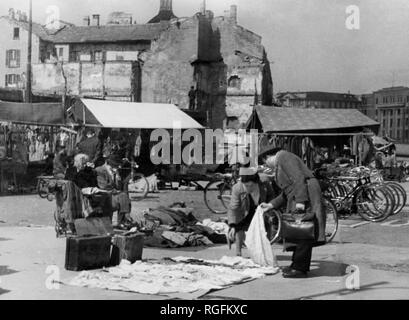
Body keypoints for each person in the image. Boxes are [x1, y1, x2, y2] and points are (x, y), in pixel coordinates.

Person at [259, 148, 326, 278]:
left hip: (305, 194)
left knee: (303, 229)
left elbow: (298, 177)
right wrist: (271, 204)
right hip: (302, 193)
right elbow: (287, 191)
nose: (267, 165)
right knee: (299, 229)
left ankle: (299, 268)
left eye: (265, 162)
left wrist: (301, 201)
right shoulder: (281, 162)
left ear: (268, 156)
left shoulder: (283, 156)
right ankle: (297, 264)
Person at [227, 167, 279, 257]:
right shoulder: (237, 188)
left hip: (261, 211)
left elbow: (271, 196)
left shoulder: (265, 183)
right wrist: (232, 225)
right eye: (246, 186)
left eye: (251, 186)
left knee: (266, 226)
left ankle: (265, 251)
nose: (248, 188)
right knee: (238, 226)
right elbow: (233, 208)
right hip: (245, 212)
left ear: (257, 183)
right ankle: (238, 253)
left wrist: (269, 209)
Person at [95, 155, 132, 227]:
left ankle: (123, 221)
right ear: (107, 163)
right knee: (123, 196)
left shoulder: (115, 172)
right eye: (115, 165)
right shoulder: (99, 170)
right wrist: (113, 178)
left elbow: (118, 187)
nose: (118, 167)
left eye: (118, 165)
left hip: (112, 196)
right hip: (104, 197)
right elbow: (103, 186)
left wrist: (117, 179)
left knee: (124, 197)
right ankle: (124, 219)